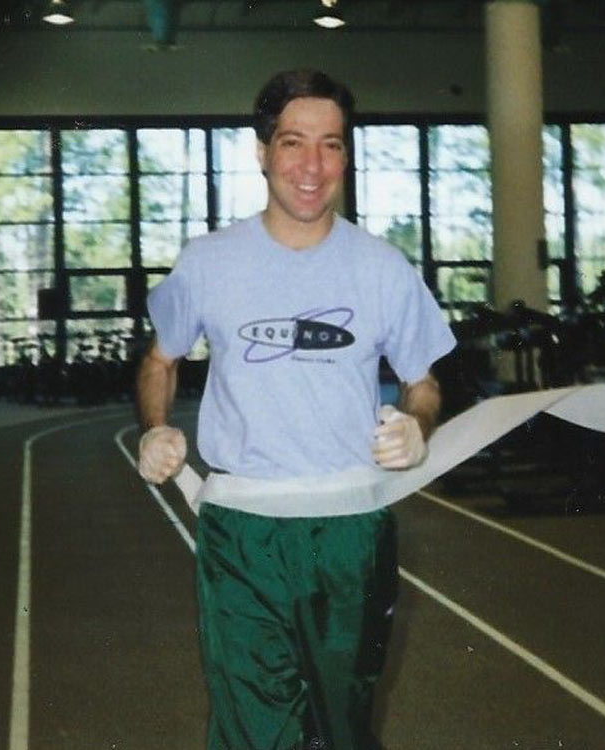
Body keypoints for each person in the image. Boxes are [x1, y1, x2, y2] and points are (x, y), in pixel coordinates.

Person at [134, 69, 455, 750]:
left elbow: (423, 382)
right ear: (262, 151)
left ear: (346, 156)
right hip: (242, 531)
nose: (312, 166)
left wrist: (417, 424)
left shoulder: (383, 268)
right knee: (251, 730)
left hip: (349, 532)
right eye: (293, 143)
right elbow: (160, 360)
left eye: (331, 145)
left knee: (343, 731)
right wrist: (154, 429)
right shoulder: (208, 261)